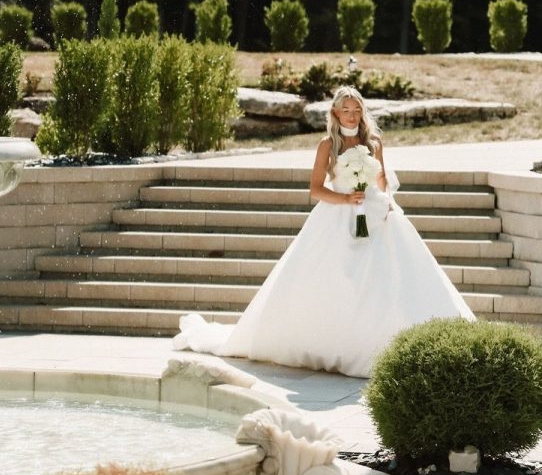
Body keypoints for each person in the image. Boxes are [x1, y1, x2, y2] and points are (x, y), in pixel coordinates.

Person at [173, 85, 475, 377]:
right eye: (346, 110)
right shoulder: (327, 146)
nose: (352, 115)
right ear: (335, 113)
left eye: (357, 110)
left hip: (373, 211)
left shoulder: (374, 144)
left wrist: (388, 205)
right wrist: (345, 198)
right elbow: (316, 189)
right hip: (335, 216)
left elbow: (381, 180)